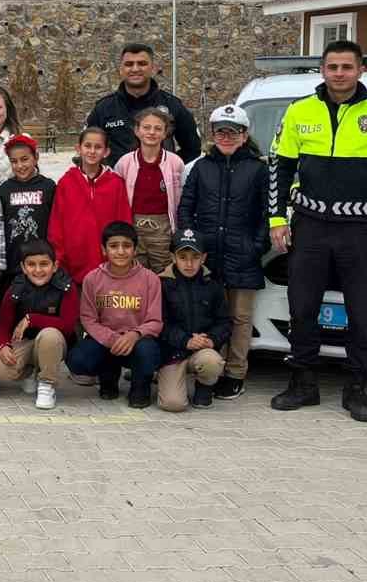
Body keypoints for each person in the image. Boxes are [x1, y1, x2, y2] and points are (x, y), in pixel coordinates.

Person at [268, 39, 367, 424]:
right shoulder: (299, 111)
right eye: (332, 67)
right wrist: (277, 220)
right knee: (302, 308)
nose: (339, 74)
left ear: (360, 70)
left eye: (347, 67)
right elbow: (278, 167)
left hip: (360, 229)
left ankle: (357, 387)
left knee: (360, 311)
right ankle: (303, 383)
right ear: (322, 69)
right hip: (310, 227)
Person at [177, 103, 270, 399]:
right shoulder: (201, 168)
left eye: (233, 132)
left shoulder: (258, 169)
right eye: (221, 132)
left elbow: (267, 215)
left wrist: (256, 246)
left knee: (240, 319)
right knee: (210, 316)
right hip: (208, 257)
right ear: (213, 134)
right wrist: (193, 247)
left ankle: (235, 372)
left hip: (243, 255)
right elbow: (186, 209)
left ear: (244, 135)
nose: (226, 137)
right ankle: (211, 369)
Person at [70, 221, 163, 408]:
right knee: (77, 359)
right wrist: (111, 339)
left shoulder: (150, 279)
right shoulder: (92, 279)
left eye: (127, 246)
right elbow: (88, 319)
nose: (120, 251)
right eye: (113, 246)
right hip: (107, 343)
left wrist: (134, 335)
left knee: (148, 352)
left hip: (137, 342)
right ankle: (108, 377)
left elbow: (155, 321)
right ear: (103, 249)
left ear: (135, 249)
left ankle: (140, 385)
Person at [0, 240, 78, 410]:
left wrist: (32, 319)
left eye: (44, 264)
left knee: (49, 335)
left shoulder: (66, 286)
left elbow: (67, 325)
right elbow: (3, 324)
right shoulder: (16, 287)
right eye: (31, 264)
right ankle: (30, 372)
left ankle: (46, 384)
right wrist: (2, 345)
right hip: (26, 343)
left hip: (55, 343)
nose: (38, 270)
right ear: (23, 267)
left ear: (54, 265)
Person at [86, 43, 202, 165]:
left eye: (142, 64)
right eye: (129, 64)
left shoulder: (172, 105)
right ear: (121, 69)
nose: (135, 69)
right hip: (117, 182)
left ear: (153, 68)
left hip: (159, 183)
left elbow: (193, 149)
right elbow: (87, 150)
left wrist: (169, 168)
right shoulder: (103, 108)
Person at [156, 228, 230, 413]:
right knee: (173, 404)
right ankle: (164, 378)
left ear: (203, 258)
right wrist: (185, 340)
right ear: (173, 257)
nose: (189, 263)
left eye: (195, 257)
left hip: (203, 350)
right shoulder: (161, 283)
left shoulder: (213, 284)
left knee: (212, 362)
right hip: (172, 353)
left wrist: (211, 339)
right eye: (182, 257)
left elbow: (224, 322)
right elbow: (159, 323)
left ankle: (204, 387)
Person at [48, 126, 132, 285]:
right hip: (73, 263)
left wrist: (120, 253)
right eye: (87, 146)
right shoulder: (66, 183)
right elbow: (56, 223)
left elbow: (123, 222)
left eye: (98, 147)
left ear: (106, 152)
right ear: (78, 149)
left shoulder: (116, 183)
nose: (92, 151)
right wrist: (58, 255)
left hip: (107, 262)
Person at [112, 107, 185, 273]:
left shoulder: (175, 163)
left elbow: (181, 197)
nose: (152, 132)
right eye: (146, 127)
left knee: (165, 272)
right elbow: (117, 197)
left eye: (158, 128)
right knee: (134, 272)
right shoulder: (125, 162)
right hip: (134, 227)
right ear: (137, 130)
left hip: (163, 230)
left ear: (165, 133)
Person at [0, 133, 55, 289]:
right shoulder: (4, 189)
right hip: (13, 262)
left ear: (35, 157)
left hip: (41, 264)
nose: (20, 166)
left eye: (24, 159)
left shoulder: (48, 187)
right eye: (14, 161)